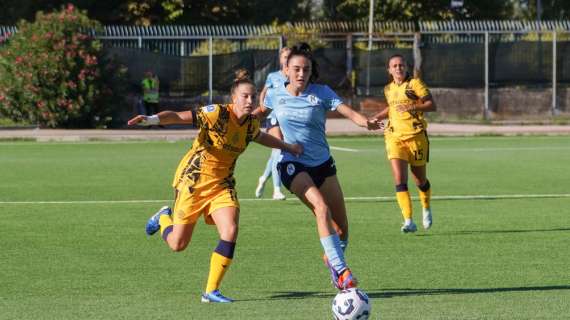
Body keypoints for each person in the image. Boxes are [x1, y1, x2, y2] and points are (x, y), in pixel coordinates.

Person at [128, 70, 302, 303]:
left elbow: (260, 137)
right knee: (177, 244)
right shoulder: (216, 114)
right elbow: (179, 117)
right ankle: (162, 219)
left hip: (222, 185)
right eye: (245, 96)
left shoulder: (250, 125)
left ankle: (211, 291)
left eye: (252, 97)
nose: (250, 101)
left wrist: (288, 147)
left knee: (230, 230)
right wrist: (151, 120)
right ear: (234, 98)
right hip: (193, 182)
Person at [254, 43, 382, 290]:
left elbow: (351, 113)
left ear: (312, 71)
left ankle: (332, 259)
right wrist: (235, 121)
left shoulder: (322, 92)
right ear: (286, 71)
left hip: (323, 164)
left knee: (342, 230)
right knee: (321, 208)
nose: (301, 74)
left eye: (306, 69)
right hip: (291, 164)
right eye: (296, 69)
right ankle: (343, 272)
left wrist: (367, 123)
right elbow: (258, 114)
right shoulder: (274, 93)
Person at [372, 54, 437, 233]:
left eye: (401, 65)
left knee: (420, 180)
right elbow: (392, 107)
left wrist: (412, 106)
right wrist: (377, 117)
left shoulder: (415, 84)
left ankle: (426, 207)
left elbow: (432, 105)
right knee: (400, 180)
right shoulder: (388, 89)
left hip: (416, 137)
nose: (398, 68)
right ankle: (408, 220)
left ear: (406, 67)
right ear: (389, 70)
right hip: (394, 137)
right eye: (394, 66)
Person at [255, 47, 291, 200]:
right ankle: (277, 190)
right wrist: (262, 105)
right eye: (284, 56)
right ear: (280, 59)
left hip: (287, 118)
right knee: (278, 150)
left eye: (289, 56)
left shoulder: (294, 75)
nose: (286, 59)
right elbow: (264, 92)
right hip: (273, 117)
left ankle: (263, 178)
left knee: (275, 154)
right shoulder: (273, 76)